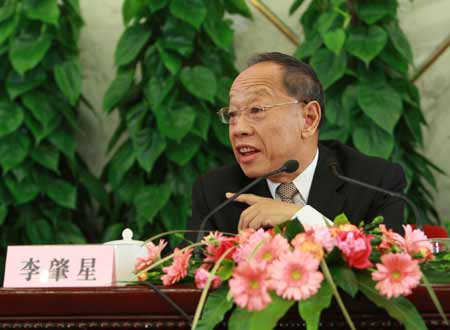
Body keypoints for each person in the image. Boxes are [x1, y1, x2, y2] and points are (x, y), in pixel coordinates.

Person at [189, 52, 406, 235]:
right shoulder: (215, 192)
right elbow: (189, 272)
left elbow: (385, 263)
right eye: (233, 114)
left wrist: (305, 219)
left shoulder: (373, 181)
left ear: (309, 119)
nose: (238, 129)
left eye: (256, 110)